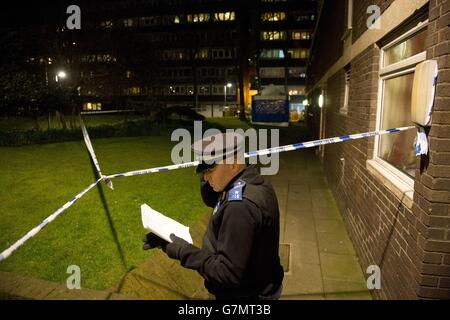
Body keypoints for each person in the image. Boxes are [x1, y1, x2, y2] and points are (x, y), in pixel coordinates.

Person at [143, 132, 284, 300]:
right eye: (203, 171)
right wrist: (165, 241)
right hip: (259, 286)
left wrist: (182, 251)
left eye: (210, 169)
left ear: (233, 163)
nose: (205, 176)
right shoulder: (251, 183)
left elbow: (227, 273)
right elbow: (211, 198)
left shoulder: (239, 207)